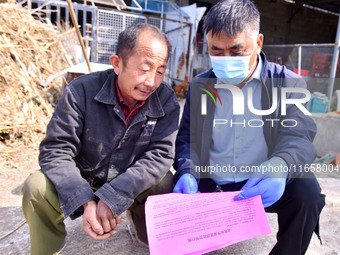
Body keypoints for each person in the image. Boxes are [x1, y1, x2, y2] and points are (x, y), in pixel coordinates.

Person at [173, 0, 325, 254]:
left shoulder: (286, 83)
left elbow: (299, 136)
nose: (225, 59)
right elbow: (188, 139)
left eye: (236, 50)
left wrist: (281, 165)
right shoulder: (201, 86)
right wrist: (187, 170)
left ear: (259, 43)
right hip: (212, 184)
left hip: (258, 185)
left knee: (307, 192)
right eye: (216, 50)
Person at [22, 23, 180, 255]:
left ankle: (143, 225)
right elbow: (56, 150)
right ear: (117, 63)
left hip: (128, 179)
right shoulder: (80, 91)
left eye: (160, 71)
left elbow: (160, 155)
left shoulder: (165, 100)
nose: (151, 82)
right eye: (144, 69)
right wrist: (85, 200)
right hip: (82, 176)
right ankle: (49, 246)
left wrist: (114, 196)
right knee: (35, 188)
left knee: (165, 182)